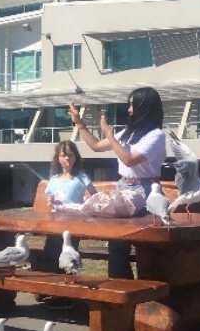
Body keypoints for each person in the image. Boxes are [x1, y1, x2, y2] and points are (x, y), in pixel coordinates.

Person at [68, 87, 167, 279]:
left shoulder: (156, 135)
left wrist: (110, 135)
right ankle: (121, 290)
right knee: (116, 243)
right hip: (123, 188)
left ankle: (149, 292)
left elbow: (129, 159)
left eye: (132, 105)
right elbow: (96, 146)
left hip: (145, 191)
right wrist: (79, 122)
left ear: (143, 107)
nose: (129, 110)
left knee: (146, 246)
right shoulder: (127, 133)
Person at [39, 140, 97, 309]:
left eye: (70, 155)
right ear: (58, 158)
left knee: (69, 257)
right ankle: (56, 290)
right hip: (55, 224)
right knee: (51, 254)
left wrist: (85, 204)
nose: (67, 159)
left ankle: (67, 296)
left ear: (76, 157)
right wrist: (50, 201)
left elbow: (95, 196)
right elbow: (49, 201)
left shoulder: (81, 177)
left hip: (73, 225)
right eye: (63, 155)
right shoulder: (55, 179)